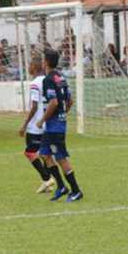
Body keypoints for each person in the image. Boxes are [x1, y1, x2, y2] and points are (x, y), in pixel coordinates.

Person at [37, 50, 83, 202]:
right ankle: (62, 186)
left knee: (61, 158)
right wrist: (63, 114)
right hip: (55, 125)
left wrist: (43, 119)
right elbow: (69, 100)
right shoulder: (61, 77)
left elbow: (54, 102)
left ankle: (76, 190)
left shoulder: (48, 79)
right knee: (44, 153)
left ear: (46, 62)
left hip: (54, 127)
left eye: (43, 60)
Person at [19, 59, 55, 193]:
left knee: (29, 152)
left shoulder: (35, 83)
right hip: (47, 122)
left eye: (29, 65)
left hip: (36, 125)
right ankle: (47, 184)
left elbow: (34, 106)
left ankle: (47, 178)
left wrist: (25, 125)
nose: (28, 67)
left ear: (34, 67)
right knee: (44, 153)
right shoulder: (47, 80)